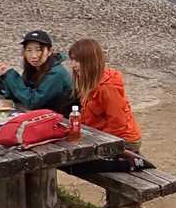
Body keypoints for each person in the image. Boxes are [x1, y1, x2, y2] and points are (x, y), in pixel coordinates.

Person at [64, 38, 155, 174]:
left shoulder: (107, 87)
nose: (73, 65)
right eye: (72, 60)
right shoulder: (89, 81)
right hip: (103, 136)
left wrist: (95, 141)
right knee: (71, 160)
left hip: (123, 140)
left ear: (90, 61)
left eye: (77, 61)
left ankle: (129, 162)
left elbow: (118, 124)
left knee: (77, 166)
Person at [0, 29, 75, 114]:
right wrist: (6, 75)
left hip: (61, 118)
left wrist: (11, 76)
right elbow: (19, 95)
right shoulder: (33, 68)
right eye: (29, 50)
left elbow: (33, 102)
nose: (33, 56)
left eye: (39, 50)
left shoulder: (56, 73)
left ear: (49, 51)